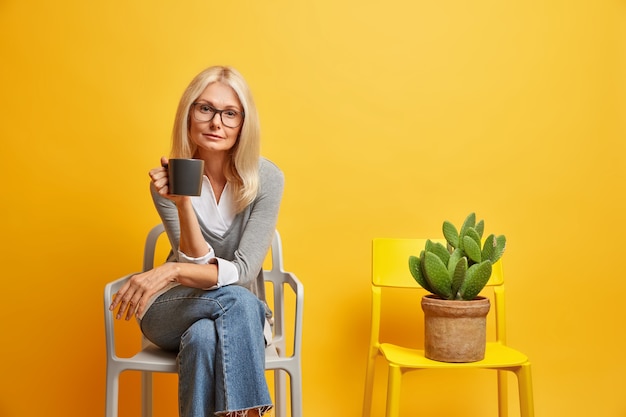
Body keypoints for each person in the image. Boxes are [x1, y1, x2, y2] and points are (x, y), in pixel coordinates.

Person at [109, 65, 284, 417]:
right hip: (173, 311)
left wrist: (172, 270)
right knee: (240, 300)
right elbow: (198, 268)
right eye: (205, 109)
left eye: (230, 113)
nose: (216, 122)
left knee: (205, 338)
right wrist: (183, 202)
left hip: (237, 316)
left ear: (243, 123)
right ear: (188, 114)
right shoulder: (168, 181)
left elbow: (247, 269)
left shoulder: (267, 178)